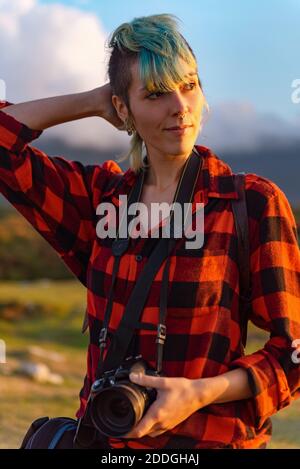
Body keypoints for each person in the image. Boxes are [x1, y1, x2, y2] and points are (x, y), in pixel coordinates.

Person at [0, 13, 299, 450]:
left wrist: (199, 393)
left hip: (208, 444)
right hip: (107, 443)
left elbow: (292, 353)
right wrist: (96, 99)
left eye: (189, 85)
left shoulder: (250, 205)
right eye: (157, 93)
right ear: (123, 109)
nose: (179, 106)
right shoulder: (100, 199)